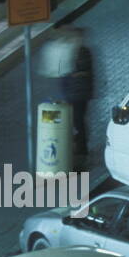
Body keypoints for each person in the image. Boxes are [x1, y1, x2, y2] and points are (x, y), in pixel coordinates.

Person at [54, 27, 94, 163]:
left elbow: (82, 72)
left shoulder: (83, 52)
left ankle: (81, 148)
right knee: (77, 120)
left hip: (79, 94)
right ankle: (79, 146)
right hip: (73, 93)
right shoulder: (72, 51)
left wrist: (71, 72)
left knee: (78, 121)